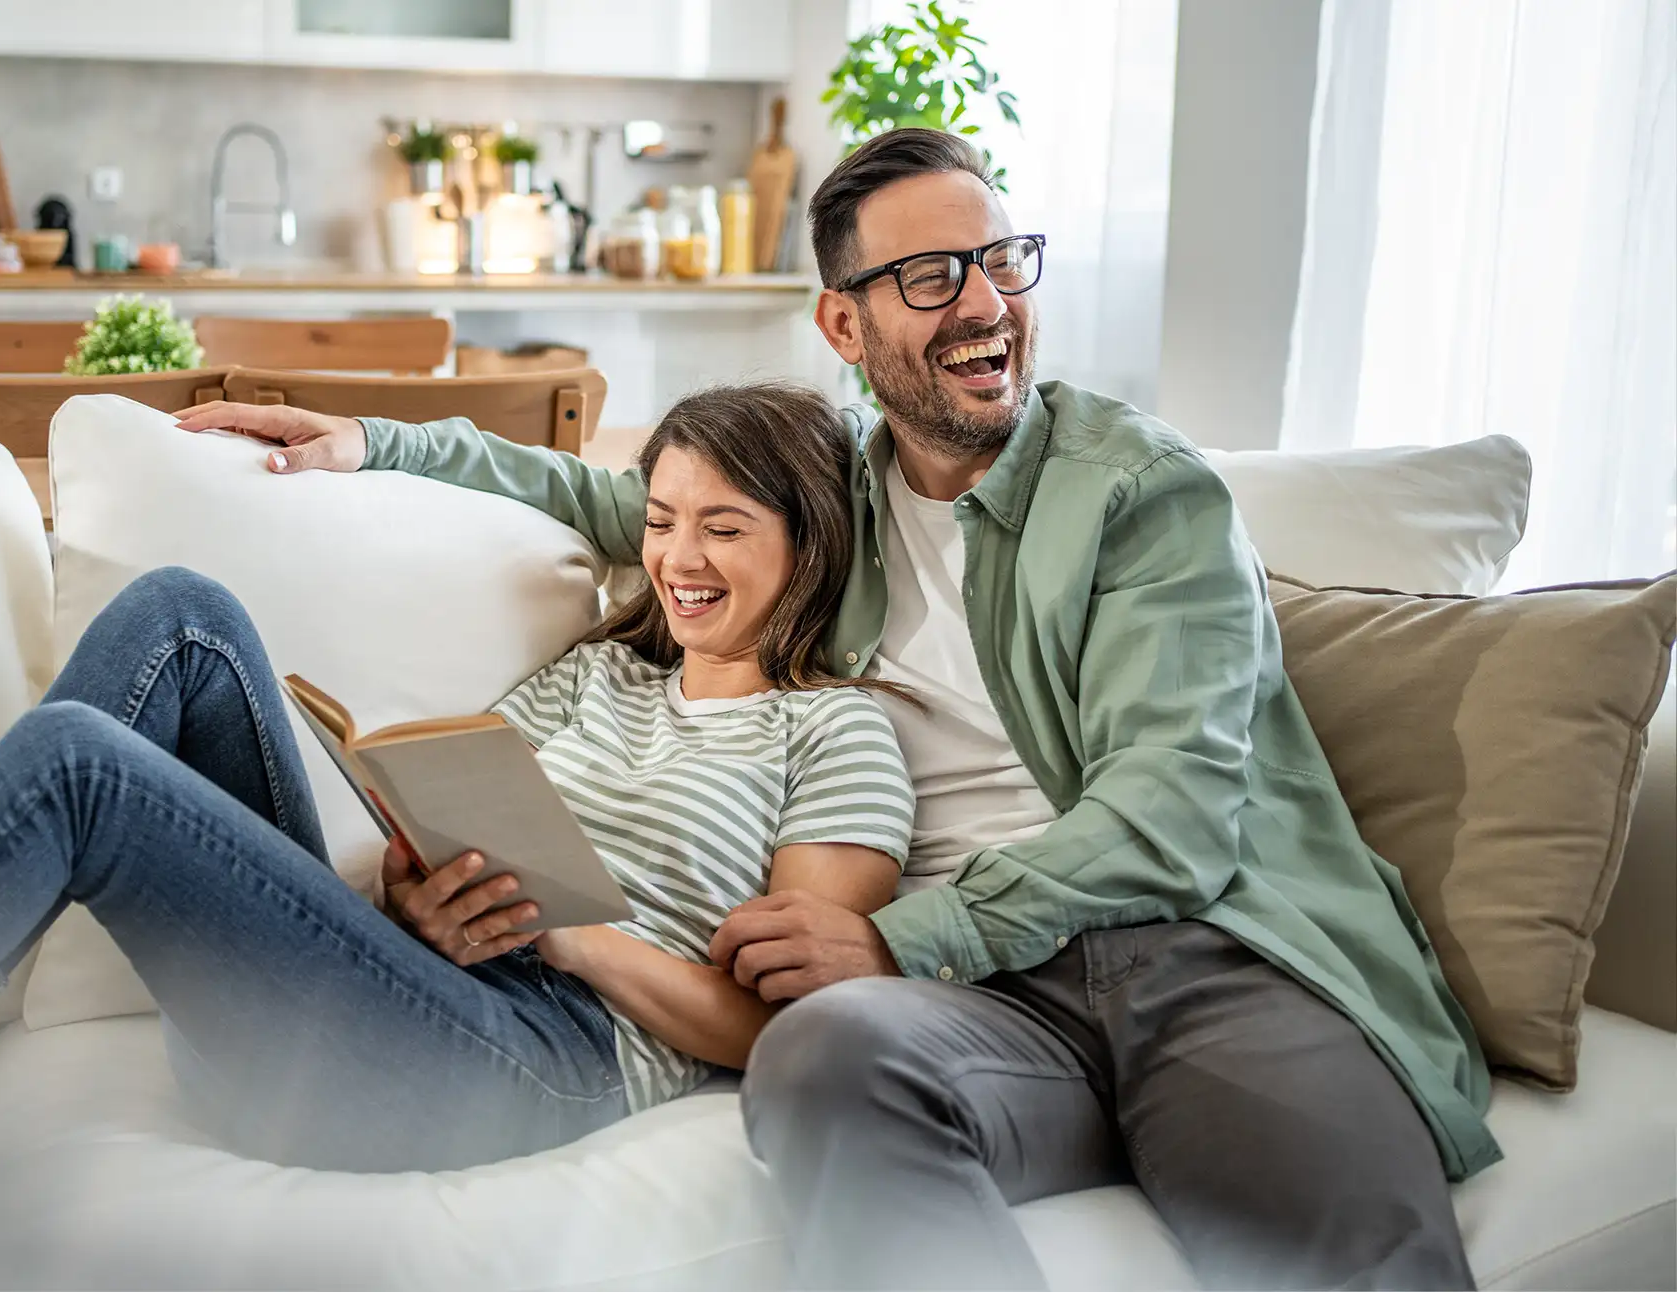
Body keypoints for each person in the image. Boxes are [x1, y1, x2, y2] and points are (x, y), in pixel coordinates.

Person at [174, 128, 1500, 1290]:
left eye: (1001, 260)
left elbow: (1174, 820)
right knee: (818, 1062)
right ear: (844, 325)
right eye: (930, 277)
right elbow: (620, 498)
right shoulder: (839, 510)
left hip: (1204, 960)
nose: (984, 303)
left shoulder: (1144, 496)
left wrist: (904, 939)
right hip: (999, 1007)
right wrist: (379, 444)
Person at [0, 384, 914, 1210]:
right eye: (656, 521)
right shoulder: (600, 669)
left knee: (74, 761)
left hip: (537, 1057)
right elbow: (439, 831)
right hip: (391, 988)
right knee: (183, 617)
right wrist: (416, 890)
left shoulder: (836, 730)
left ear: (804, 541)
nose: (676, 559)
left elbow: (790, 1036)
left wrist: (577, 938)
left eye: (722, 527)